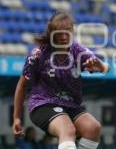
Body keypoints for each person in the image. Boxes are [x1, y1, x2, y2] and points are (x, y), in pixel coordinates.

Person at [12, 12, 110, 149]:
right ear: (52, 32)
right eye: (59, 32)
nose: (64, 37)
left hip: (71, 105)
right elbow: (22, 86)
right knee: (68, 130)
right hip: (42, 104)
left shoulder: (78, 51)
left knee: (93, 128)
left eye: (68, 31)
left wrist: (100, 66)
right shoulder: (38, 54)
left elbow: (106, 68)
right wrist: (16, 118)